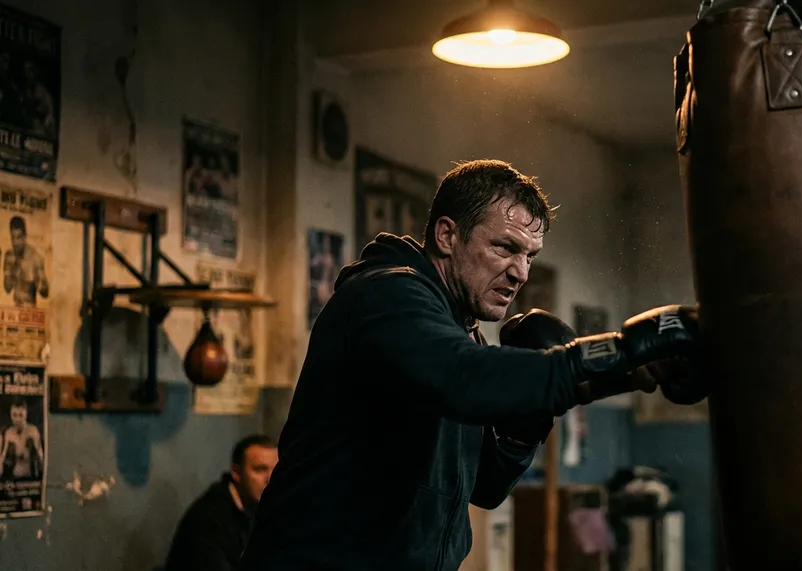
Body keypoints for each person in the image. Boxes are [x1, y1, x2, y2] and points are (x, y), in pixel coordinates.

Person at [239, 159, 705, 571]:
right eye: (505, 248)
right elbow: (462, 376)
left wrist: (613, 381)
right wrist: (625, 348)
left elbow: (484, 485)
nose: (521, 272)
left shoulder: (460, 330)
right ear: (447, 235)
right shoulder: (385, 296)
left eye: (529, 256)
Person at [165, 434, 278, 571]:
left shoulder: (262, 508)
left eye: (276, 471)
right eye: (260, 469)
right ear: (236, 473)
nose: (270, 479)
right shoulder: (209, 518)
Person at [3, 216, 48, 307]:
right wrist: (14, 268)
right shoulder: (9, 256)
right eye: (13, 238)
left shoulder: (36, 258)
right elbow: (7, 289)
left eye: (19, 237)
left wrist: (38, 282)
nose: (15, 243)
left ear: (24, 237)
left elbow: (45, 293)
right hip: (15, 311)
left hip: (30, 310)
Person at [0, 397, 43, 481]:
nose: (17, 419)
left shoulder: (32, 431)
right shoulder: (9, 433)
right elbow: (2, 456)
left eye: (20, 415)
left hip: (31, 476)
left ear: (25, 414)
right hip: (15, 475)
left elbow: (40, 454)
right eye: (14, 415)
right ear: (10, 415)